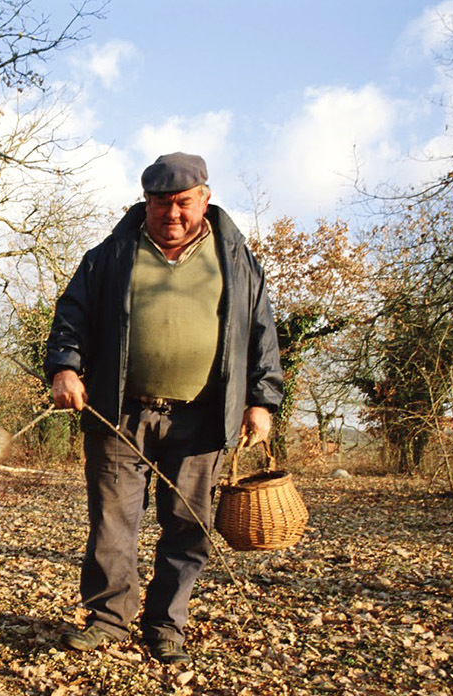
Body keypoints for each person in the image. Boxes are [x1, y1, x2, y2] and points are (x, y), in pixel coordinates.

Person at [44, 152, 284, 664]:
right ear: (144, 202)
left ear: (205, 198)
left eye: (182, 203)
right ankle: (109, 619)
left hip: (202, 416)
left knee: (189, 526)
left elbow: (261, 333)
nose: (171, 214)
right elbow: (71, 316)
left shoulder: (235, 259)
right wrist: (65, 368)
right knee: (112, 525)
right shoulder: (110, 255)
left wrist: (262, 401)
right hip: (118, 412)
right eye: (160, 204)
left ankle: (165, 625)